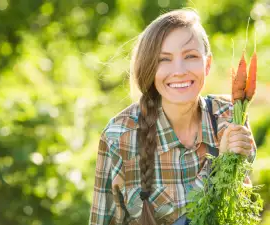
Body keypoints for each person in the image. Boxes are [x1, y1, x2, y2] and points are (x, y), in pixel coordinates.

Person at [89, 9, 256, 225]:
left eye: (191, 56)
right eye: (164, 59)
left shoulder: (230, 116)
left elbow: (237, 206)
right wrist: (219, 163)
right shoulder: (120, 136)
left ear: (207, 64)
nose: (179, 70)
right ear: (149, 68)